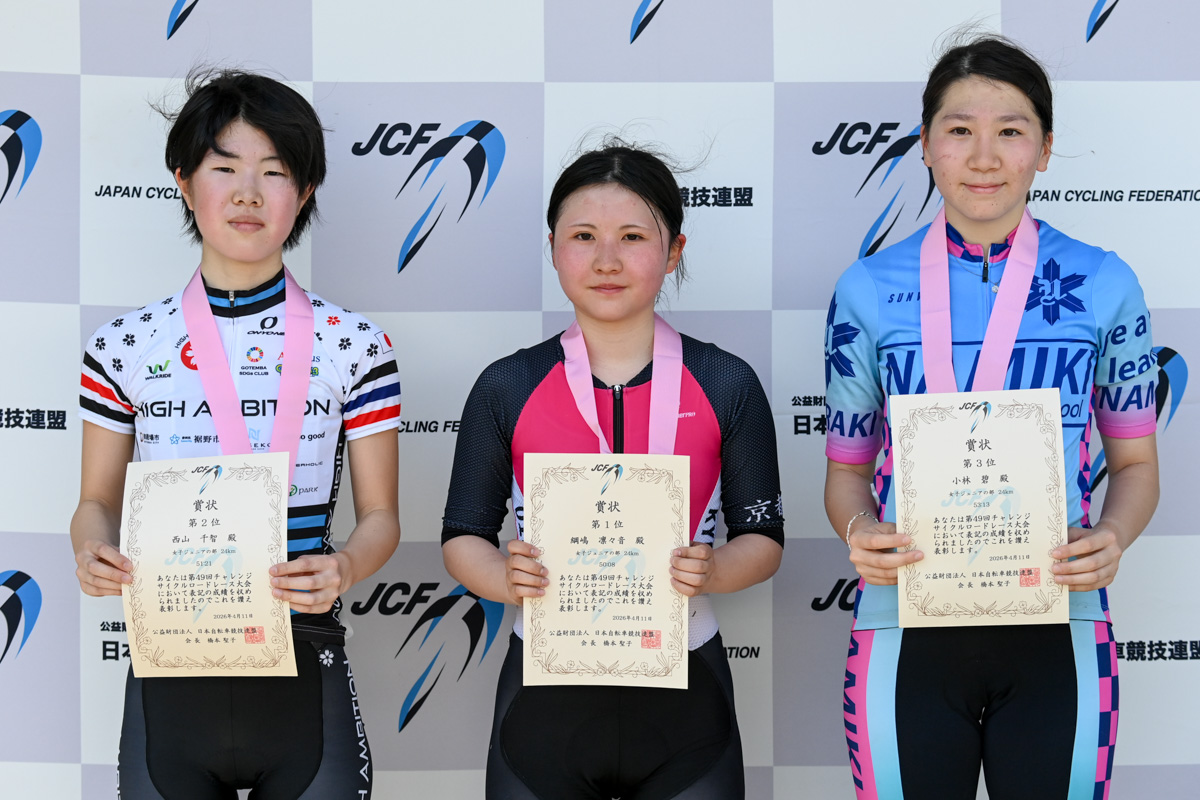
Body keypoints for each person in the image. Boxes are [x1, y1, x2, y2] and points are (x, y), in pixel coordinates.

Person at [823, 36, 1160, 800]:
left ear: (1044, 148)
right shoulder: (866, 289)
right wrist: (858, 530)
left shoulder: (1103, 283)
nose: (984, 156)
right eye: (959, 129)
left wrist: (1112, 536)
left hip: (1061, 622)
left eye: (1010, 130)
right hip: (902, 621)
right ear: (925, 145)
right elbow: (845, 472)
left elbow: (1137, 465)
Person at [70, 69, 401, 799]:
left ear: (304, 193)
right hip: (170, 665)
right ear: (185, 184)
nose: (249, 192)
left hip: (304, 656)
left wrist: (345, 566)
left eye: (274, 172)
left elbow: (381, 517)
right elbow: (94, 502)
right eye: (225, 168)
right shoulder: (123, 346)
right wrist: (91, 549)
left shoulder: (355, 345)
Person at [441, 142, 784, 799]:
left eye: (632, 236)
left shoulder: (725, 382)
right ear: (552, 248)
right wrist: (501, 577)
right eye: (583, 236)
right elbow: (462, 535)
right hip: (543, 699)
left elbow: (763, 539)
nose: (606, 260)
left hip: (688, 693)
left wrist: (715, 569)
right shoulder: (507, 385)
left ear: (674, 251)